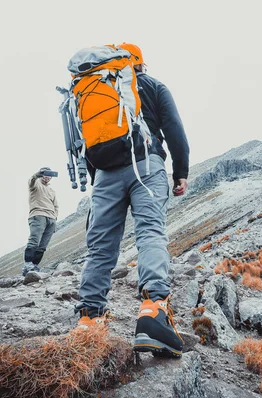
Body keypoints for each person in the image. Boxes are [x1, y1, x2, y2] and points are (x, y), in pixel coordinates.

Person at [75, 43, 190, 358]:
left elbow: (89, 140)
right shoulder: (152, 86)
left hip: (105, 174)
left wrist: (99, 177)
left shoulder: (96, 87)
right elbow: (174, 130)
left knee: (100, 247)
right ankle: (153, 311)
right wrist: (180, 171)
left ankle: (89, 319)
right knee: (150, 231)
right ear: (140, 64)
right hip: (146, 166)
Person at [23, 167, 58, 276]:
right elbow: (32, 180)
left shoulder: (52, 190)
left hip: (51, 218)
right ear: (41, 174)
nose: (47, 176)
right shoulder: (35, 184)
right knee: (34, 240)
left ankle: (34, 266)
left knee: (43, 245)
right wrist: (37, 174)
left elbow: (56, 206)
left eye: (49, 174)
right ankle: (28, 264)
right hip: (38, 215)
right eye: (45, 174)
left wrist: (55, 217)